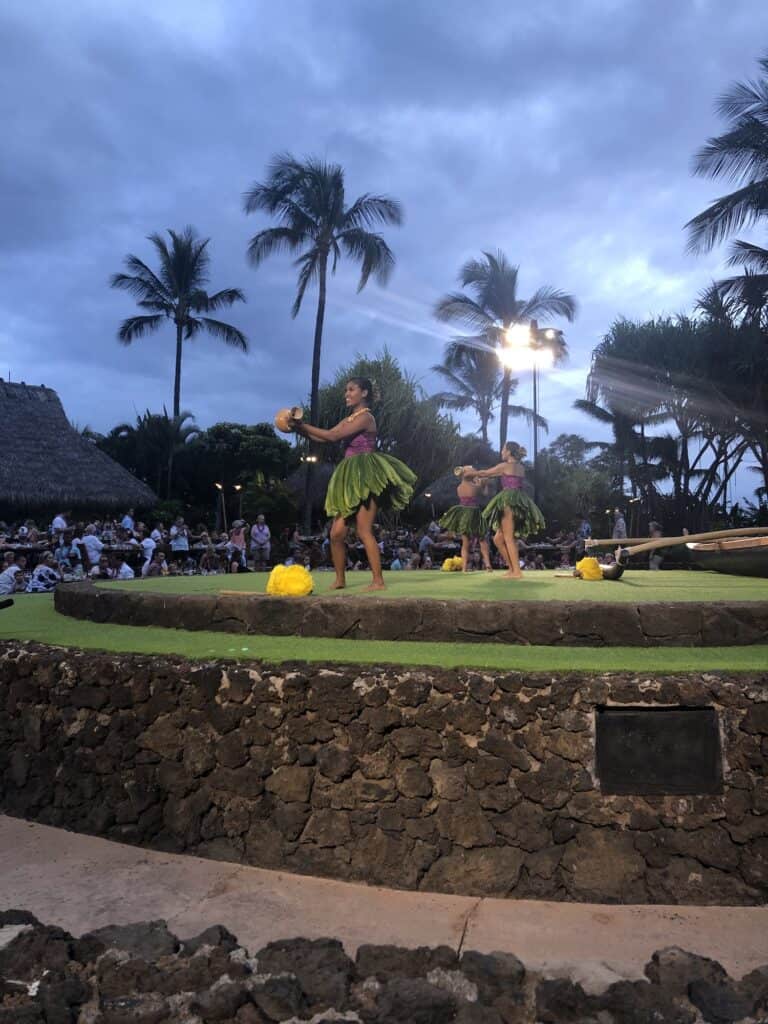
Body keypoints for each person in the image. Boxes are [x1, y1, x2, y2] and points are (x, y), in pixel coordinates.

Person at [291, 377, 416, 591]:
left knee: (363, 530)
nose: (346, 394)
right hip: (350, 477)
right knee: (336, 534)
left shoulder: (366, 417)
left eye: (351, 389)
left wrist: (303, 424)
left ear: (364, 393)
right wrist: (298, 429)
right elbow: (324, 437)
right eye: (346, 390)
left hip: (366, 475)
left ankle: (378, 581)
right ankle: (340, 580)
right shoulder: (350, 418)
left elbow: (332, 436)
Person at [472, 442, 545, 579]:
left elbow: (485, 472)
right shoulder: (520, 467)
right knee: (498, 539)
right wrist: (482, 479)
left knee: (508, 538)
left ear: (509, 452)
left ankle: (517, 572)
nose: (501, 452)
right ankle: (512, 569)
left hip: (508, 502)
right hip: (519, 502)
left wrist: (470, 473)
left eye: (503, 450)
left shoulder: (504, 466)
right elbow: (490, 476)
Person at [440, 468, 494, 573]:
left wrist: (480, 483)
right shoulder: (473, 486)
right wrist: (484, 484)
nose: (473, 471)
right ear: (465, 474)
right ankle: (488, 565)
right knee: (482, 540)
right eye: (471, 470)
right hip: (474, 513)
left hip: (463, 514)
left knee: (466, 543)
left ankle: (464, 568)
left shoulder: (459, 487)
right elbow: (485, 494)